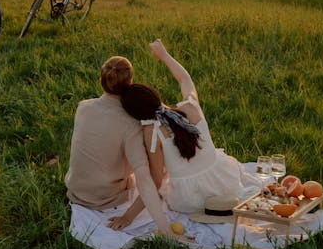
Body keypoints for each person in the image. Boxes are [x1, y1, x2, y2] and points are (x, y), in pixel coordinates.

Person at [119, 39, 260, 217]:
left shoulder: (152, 132)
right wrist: (163, 55)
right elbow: (185, 79)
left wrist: (128, 215)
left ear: (136, 115)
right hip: (224, 183)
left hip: (188, 200)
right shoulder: (190, 108)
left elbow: (156, 180)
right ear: (155, 95)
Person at [64, 55, 177, 238]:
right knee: (157, 170)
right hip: (105, 200)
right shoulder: (131, 124)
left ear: (102, 81)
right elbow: (144, 180)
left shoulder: (82, 107)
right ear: (130, 82)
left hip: (76, 191)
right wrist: (132, 218)